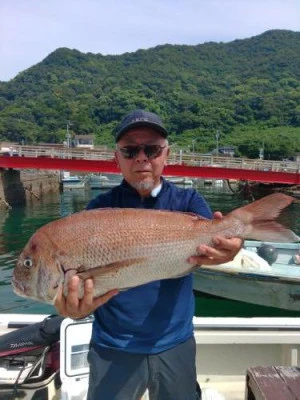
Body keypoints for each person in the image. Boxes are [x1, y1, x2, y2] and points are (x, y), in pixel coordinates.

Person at [54, 109, 242, 400]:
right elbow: (79, 288)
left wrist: (229, 251)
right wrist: (70, 309)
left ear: (166, 154)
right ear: (117, 159)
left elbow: (215, 249)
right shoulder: (96, 211)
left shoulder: (189, 202)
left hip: (175, 342)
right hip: (113, 346)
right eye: (130, 150)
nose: (141, 158)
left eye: (151, 149)